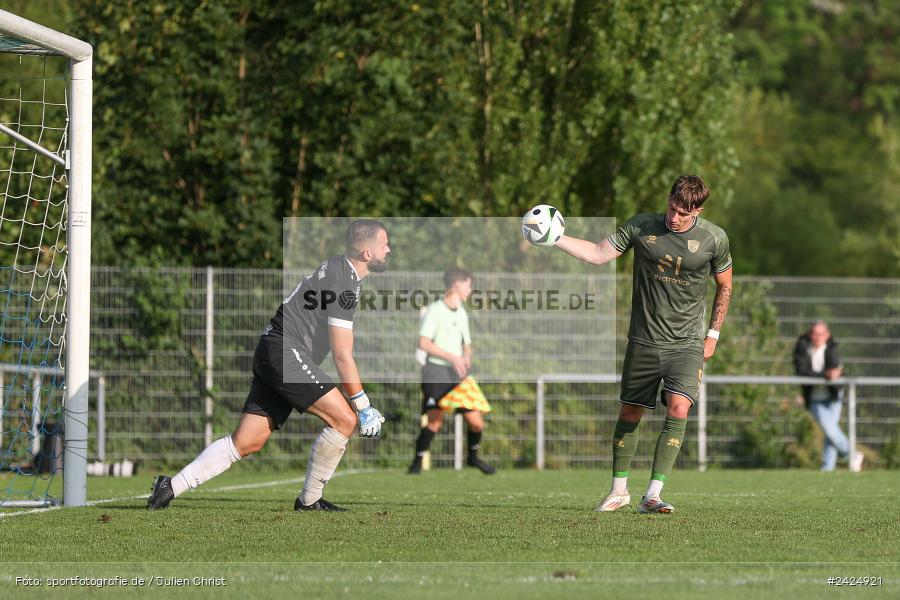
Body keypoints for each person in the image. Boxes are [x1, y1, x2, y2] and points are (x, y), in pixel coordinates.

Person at [147, 220, 390, 512]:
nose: (388, 249)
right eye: (384, 245)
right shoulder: (344, 282)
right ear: (367, 253)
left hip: (272, 349)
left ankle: (169, 487)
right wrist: (362, 405)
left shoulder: (339, 269)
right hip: (285, 352)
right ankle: (309, 501)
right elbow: (342, 354)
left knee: (247, 441)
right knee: (345, 420)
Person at [554, 175, 733, 514]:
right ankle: (618, 490)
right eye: (671, 207)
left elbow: (725, 285)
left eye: (683, 212)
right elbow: (596, 254)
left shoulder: (714, 238)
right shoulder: (641, 226)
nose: (674, 217)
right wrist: (555, 238)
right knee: (631, 412)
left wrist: (713, 334)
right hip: (644, 340)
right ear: (667, 199)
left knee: (680, 407)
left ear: (698, 210)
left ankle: (652, 494)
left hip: (687, 343)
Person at [408, 267, 495, 475]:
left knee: (476, 422)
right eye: (468, 286)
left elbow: (467, 343)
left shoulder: (463, 313)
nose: (470, 290)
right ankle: (416, 463)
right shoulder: (435, 311)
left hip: (458, 374)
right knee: (435, 422)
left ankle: (473, 458)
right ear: (457, 286)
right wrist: (452, 357)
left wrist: (466, 356)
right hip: (436, 372)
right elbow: (423, 343)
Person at [793, 321, 863, 472]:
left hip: (833, 396)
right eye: (814, 334)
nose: (817, 337)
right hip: (814, 398)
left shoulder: (832, 347)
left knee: (830, 432)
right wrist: (825, 375)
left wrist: (834, 374)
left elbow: (836, 372)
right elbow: (802, 371)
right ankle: (852, 454)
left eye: (820, 334)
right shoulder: (803, 346)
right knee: (830, 430)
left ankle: (827, 468)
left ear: (827, 335)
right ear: (810, 334)